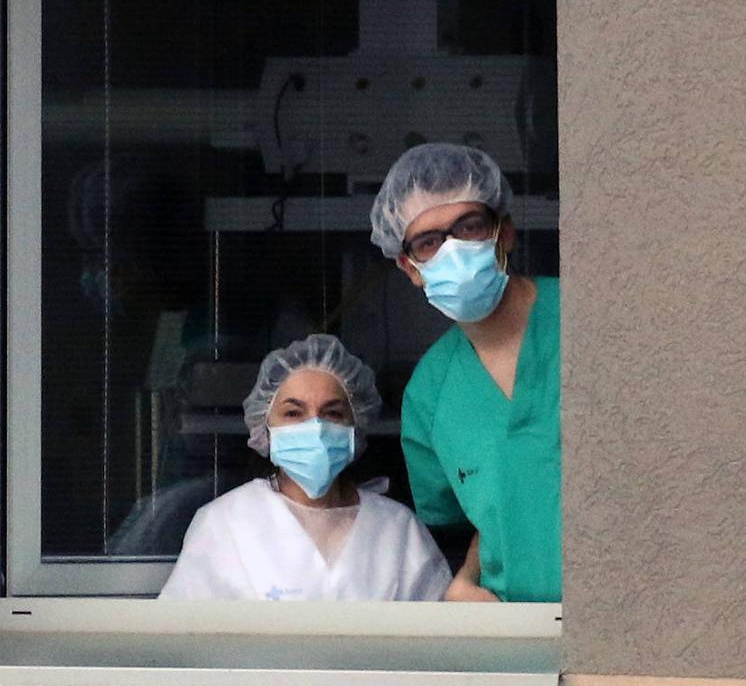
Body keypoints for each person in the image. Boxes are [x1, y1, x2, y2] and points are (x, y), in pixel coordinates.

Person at [369, 143, 561, 603]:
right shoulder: (431, 394)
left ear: (505, 233)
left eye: (469, 227)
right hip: (514, 637)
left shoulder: (587, 320)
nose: (451, 249)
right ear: (410, 267)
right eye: (429, 241)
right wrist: (467, 580)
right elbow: (486, 520)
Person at [158, 334, 452, 601]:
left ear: (356, 424)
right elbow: (183, 639)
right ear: (265, 427)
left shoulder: (397, 529)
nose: (316, 426)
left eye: (332, 412)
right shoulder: (225, 523)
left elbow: (436, 642)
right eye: (293, 413)